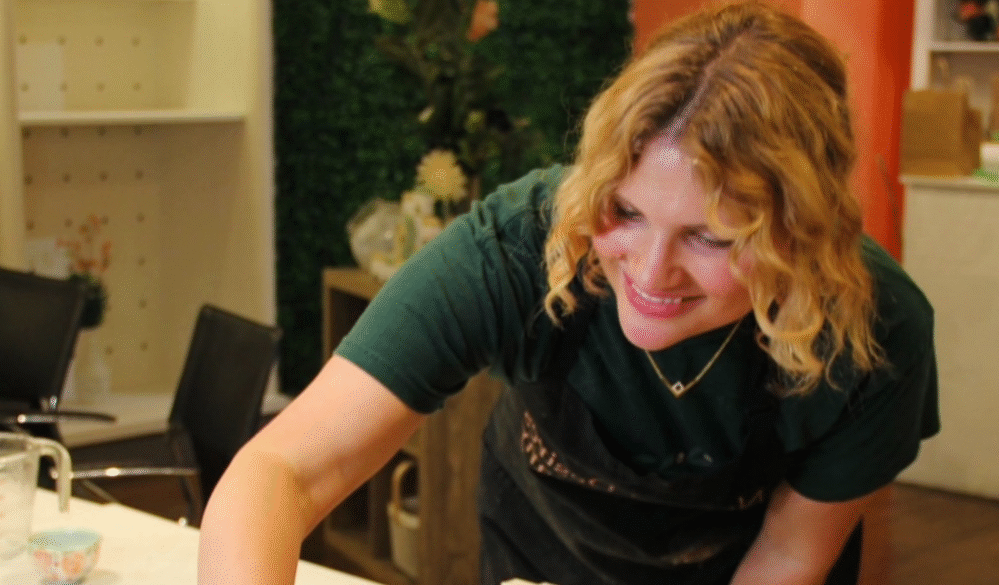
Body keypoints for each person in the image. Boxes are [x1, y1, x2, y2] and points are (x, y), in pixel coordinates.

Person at [198, 2, 939, 584]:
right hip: (540, 557)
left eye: (711, 238)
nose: (649, 274)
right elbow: (280, 471)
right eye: (626, 211)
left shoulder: (874, 327)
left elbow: (787, 557)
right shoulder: (522, 245)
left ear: (799, 230)